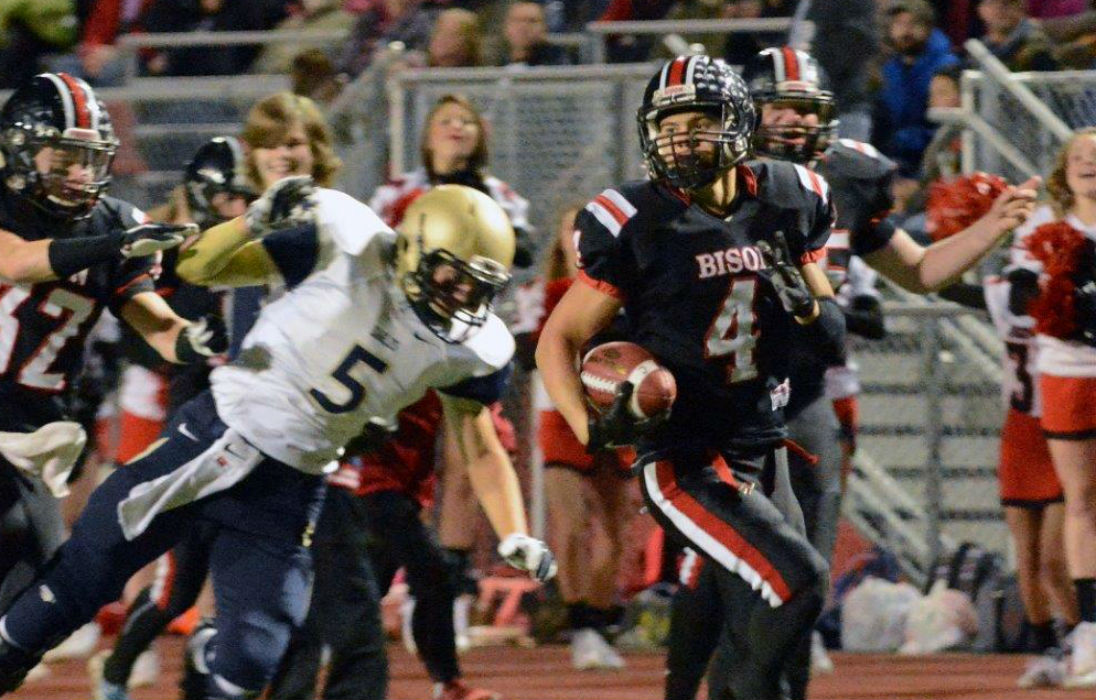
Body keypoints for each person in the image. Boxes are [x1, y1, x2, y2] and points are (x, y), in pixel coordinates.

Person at [0, 179, 556, 700]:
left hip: (291, 485)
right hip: (210, 439)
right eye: (450, 275)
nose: (461, 294)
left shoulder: (474, 345)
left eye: (477, 285)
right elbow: (196, 266)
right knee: (77, 584)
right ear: (413, 247)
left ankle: (201, 657)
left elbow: (479, 442)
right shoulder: (346, 242)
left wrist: (513, 531)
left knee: (253, 657)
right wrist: (248, 224)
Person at [660, 45, 1041, 700]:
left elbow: (918, 270)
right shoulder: (714, 180)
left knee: (804, 581)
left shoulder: (846, 178)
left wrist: (992, 233)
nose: (791, 122)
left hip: (804, 397)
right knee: (723, 575)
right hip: (721, 403)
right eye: (778, 106)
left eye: (804, 110)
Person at [536, 54, 846, 700]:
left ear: (735, 123)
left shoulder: (792, 195)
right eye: (669, 125)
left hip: (764, 441)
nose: (682, 139)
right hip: (686, 455)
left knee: (742, 605)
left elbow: (831, 337)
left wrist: (805, 300)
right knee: (797, 581)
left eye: (699, 122)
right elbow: (558, 339)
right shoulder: (635, 218)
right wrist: (588, 425)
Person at [0, 71, 206, 614]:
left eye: (90, 158)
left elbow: (159, 328)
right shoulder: (98, 229)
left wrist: (205, 339)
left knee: (34, 605)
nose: (78, 172)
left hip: (29, 431)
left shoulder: (111, 220)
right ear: (22, 149)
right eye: (63, 156)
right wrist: (115, 243)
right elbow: (17, 262)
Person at [87, 136, 255, 700]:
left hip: (262, 427)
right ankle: (117, 669)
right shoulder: (177, 248)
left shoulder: (267, 245)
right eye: (233, 196)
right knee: (175, 586)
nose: (242, 208)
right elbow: (151, 334)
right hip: (199, 422)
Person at [1009, 127, 1096, 689]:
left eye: (1099, 158)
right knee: (1082, 498)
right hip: (1070, 372)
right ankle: (1090, 626)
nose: (1090, 165)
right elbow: (1021, 292)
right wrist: (1056, 294)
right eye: (1080, 158)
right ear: (1063, 170)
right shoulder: (1045, 226)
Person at [535, 204, 636, 670]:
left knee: (618, 533)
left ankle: (599, 617)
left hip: (620, 420)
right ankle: (580, 624)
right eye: (570, 229)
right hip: (561, 417)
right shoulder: (545, 294)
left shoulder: (631, 291)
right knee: (571, 526)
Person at [497, 1, 573, 67]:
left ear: (545, 27)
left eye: (532, 21)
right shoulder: (493, 62)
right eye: (517, 20)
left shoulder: (558, 66)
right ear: (505, 27)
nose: (523, 27)